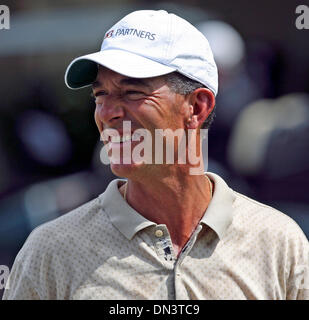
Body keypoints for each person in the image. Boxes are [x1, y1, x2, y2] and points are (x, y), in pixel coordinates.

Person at [3, 10, 309, 300]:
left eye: (133, 92)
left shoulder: (278, 243)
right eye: (100, 95)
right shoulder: (50, 253)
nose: (107, 113)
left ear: (197, 107)